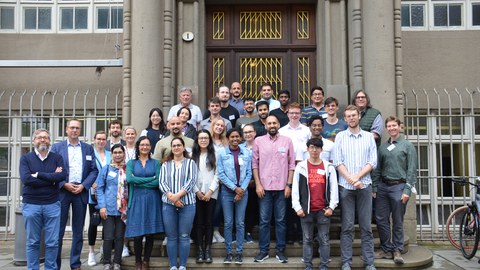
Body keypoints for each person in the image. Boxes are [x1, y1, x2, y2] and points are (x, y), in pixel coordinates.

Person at [334, 105, 377, 270]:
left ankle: (369, 262)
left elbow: (372, 162)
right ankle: (346, 262)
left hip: (364, 186)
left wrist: (357, 177)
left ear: (359, 116)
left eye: (354, 115)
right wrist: (352, 180)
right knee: (347, 227)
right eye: (348, 116)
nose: (351, 118)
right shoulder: (340, 137)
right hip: (346, 188)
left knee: (366, 227)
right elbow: (338, 162)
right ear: (345, 119)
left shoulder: (368, 137)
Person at [51, 119, 99, 270]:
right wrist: (63, 184)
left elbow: (94, 171)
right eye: (72, 128)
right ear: (66, 130)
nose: (74, 130)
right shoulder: (57, 147)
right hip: (63, 191)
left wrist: (84, 186)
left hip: (80, 192)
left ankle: (75, 264)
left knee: (78, 231)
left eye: (77, 128)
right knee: (58, 231)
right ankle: (55, 264)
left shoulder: (87, 149)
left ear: (80, 130)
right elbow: (51, 168)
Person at [372, 116, 417, 264]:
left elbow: (412, 170)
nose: (391, 128)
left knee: (397, 220)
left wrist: (407, 190)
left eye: (394, 126)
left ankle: (397, 250)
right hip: (383, 187)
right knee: (381, 219)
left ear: (399, 127)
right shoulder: (383, 147)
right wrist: (374, 187)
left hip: (399, 186)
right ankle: (386, 248)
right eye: (389, 126)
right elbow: (378, 169)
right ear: (386, 129)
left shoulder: (407, 146)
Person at [19, 128, 67, 270]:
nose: (43, 140)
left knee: (52, 242)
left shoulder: (56, 158)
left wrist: (38, 174)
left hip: (52, 204)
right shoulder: (26, 158)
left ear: (49, 141)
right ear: (34, 141)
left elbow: (61, 176)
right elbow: (26, 179)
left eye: (45, 137)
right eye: (39, 137)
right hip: (31, 205)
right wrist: (51, 178)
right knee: (33, 242)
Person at [252, 115, 296, 263]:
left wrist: (289, 185)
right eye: (269, 123)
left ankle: (280, 251)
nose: (272, 125)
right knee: (264, 221)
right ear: (265, 126)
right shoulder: (258, 141)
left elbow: (291, 165)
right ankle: (263, 251)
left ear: (278, 125)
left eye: (274, 123)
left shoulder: (287, 141)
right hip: (263, 188)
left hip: (282, 188)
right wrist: (258, 184)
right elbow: (255, 165)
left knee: (281, 220)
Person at [292, 138, 339, 270]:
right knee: (307, 239)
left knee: (324, 239)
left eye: (317, 147)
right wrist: (297, 207)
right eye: (311, 147)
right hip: (306, 210)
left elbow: (334, 189)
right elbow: (295, 189)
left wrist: (331, 207)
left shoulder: (328, 167)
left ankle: (324, 265)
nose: (314, 150)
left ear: (321, 150)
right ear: (307, 149)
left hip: (323, 210)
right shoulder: (300, 167)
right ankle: (308, 265)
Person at [159, 137, 198, 270]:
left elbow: (191, 181)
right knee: (171, 236)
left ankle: (182, 265)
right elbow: (162, 183)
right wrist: (172, 198)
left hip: (187, 205)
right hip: (168, 205)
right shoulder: (165, 164)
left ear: (183, 147)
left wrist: (177, 196)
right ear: (171, 148)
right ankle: (173, 265)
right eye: (174, 145)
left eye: (179, 145)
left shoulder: (191, 163)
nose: (176, 147)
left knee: (184, 236)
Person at [125, 136, 163, 270]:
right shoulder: (131, 163)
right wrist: (149, 180)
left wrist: (139, 180)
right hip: (136, 199)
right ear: (138, 147)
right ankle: (137, 261)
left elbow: (158, 181)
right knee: (137, 233)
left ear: (150, 147)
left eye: (147, 145)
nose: (145, 147)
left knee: (150, 233)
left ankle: (146, 261)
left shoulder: (156, 163)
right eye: (142, 145)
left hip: (153, 200)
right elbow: (129, 179)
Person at [217, 128, 252, 264]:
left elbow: (249, 173)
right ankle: (228, 252)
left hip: (243, 192)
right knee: (228, 223)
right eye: (232, 137)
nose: (235, 139)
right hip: (227, 192)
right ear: (228, 138)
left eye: (237, 136)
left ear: (241, 138)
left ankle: (239, 252)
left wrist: (241, 189)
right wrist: (235, 188)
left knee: (240, 222)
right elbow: (221, 173)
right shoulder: (222, 153)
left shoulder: (246, 153)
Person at [279, 102, 311, 244]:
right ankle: (290, 234)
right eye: (291, 113)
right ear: (288, 114)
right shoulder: (282, 131)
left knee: (302, 202)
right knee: (288, 203)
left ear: (300, 114)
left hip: (303, 169)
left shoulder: (306, 131)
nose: (294, 115)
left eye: (297, 113)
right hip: (286, 171)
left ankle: (301, 233)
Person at [96, 144, 129, 270]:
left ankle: (117, 262)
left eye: (120, 152)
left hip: (123, 209)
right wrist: (102, 206)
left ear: (124, 154)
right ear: (112, 154)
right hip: (108, 208)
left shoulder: (128, 169)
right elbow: (99, 188)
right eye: (115, 152)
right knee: (108, 237)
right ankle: (106, 262)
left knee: (120, 237)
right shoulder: (106, 169)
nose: (118, 155)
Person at [191, 130, 219, 264]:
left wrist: (210, 191)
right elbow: (190, 176)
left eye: (206, 138)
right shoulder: (192, 156)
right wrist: (197, 191)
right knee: (198, 223)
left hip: (211, 194)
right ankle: (199, 249)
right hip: (196, 194)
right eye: (201, 138)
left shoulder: (215, 155)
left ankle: (208, 250)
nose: (203, 140)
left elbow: (218, 175)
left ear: (209, 140)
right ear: (197, 140)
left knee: (208, 223)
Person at [88, 131, 112, 267]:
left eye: (103, 139)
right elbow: (87, 171)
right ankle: (91, 252)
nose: (101, 141)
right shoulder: (90, 154)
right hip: (94, 193)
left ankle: (103, 249)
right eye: (98, 139)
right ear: (94, 140)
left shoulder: (110, 154)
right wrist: (91, 182)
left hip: (108, 194)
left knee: (107, 223)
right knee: (93, 222)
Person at [209, 117, 228, 244]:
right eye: (217, 125)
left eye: (222, 126)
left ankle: (216, 230)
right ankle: (209, 231)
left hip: (224, 179)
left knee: (219, 207)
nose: (219, 127)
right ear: (213, 125)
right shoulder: (207, 140)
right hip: (210, 178)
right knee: (210, 206)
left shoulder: (226, 142)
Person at [240, 124, 257, 244]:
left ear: (255, 133)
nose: (248, 134)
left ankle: (249, 232)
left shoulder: (260, 146)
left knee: (252, 208)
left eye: (250, 131)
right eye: (245, 132)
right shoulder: (239, 147)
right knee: (241, 209)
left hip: (257, 183)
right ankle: (240, 232)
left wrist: (255, 180)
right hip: (241, 184)